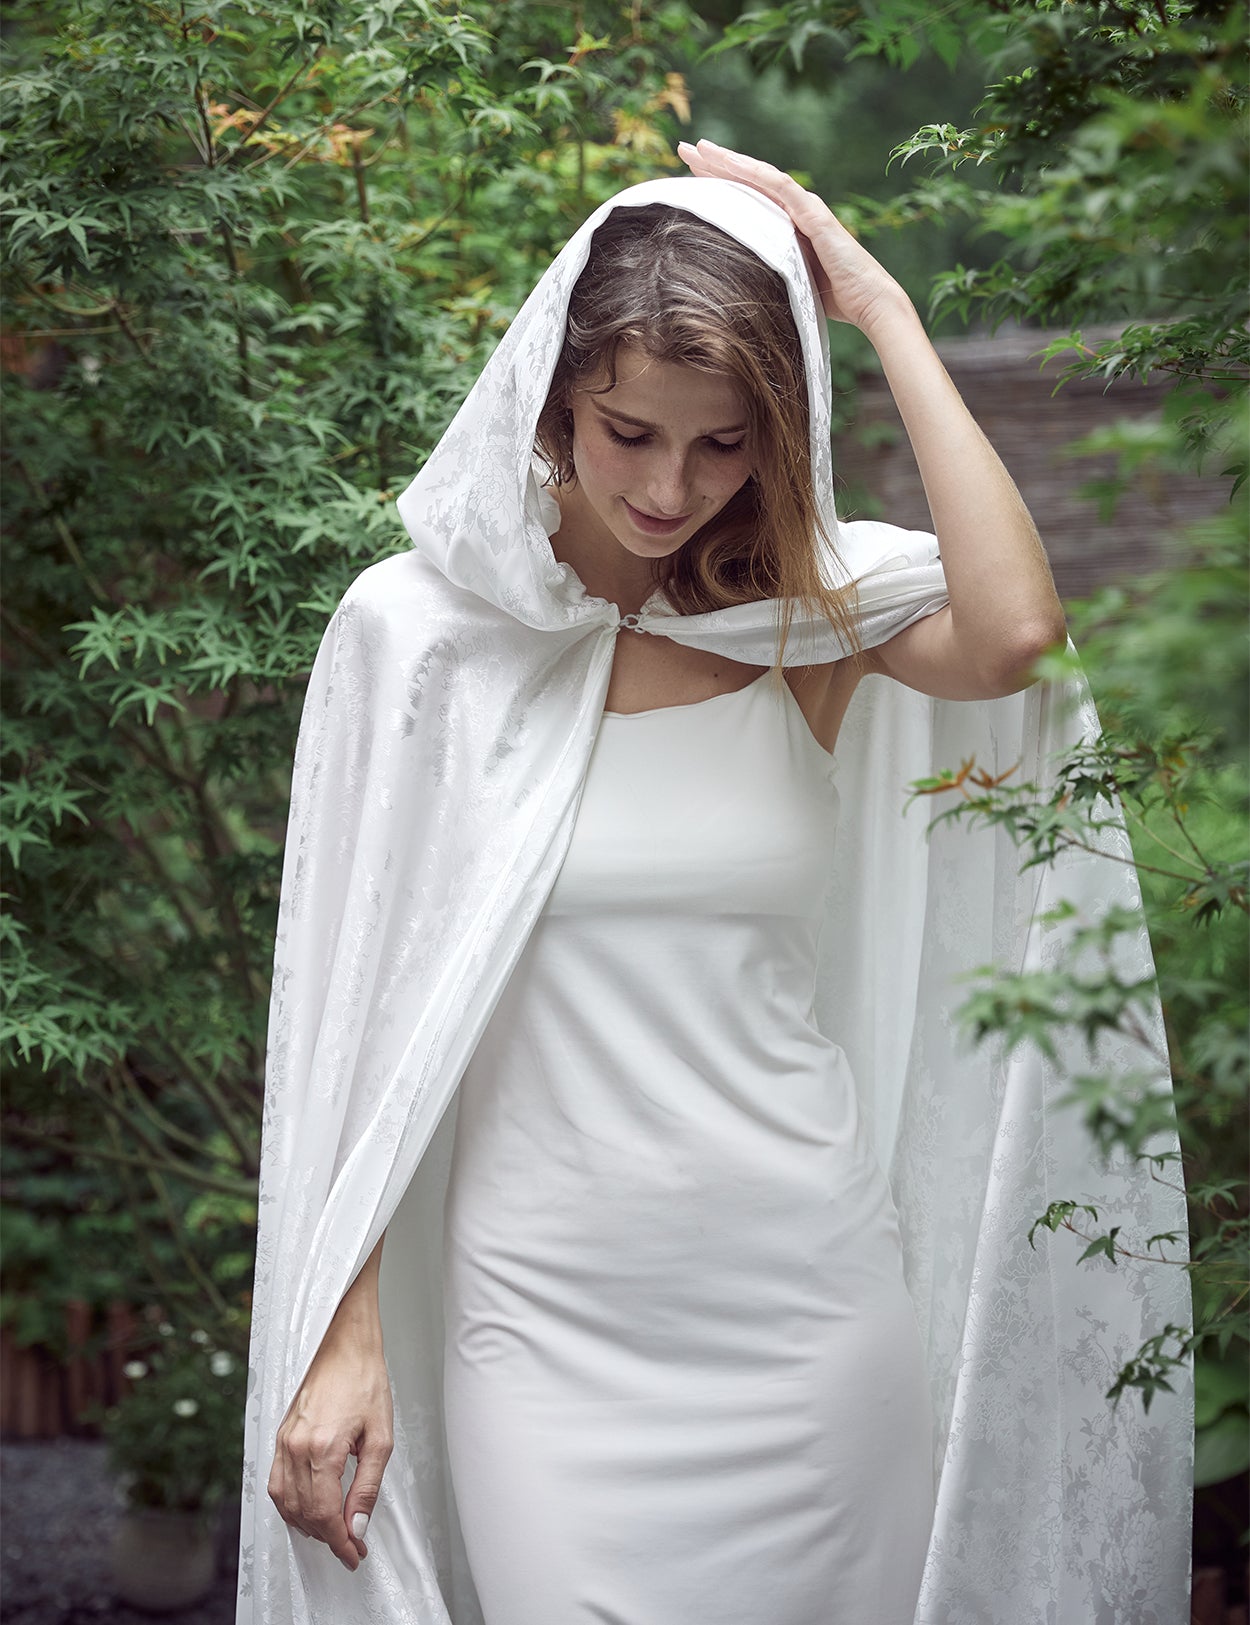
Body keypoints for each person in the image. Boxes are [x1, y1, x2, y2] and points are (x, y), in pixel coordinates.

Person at [239, 144, 1191, 1624]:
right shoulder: (413, 639)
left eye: (724, 444)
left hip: (806, 1307)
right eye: (626, 432)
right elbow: (350, 1032)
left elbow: (1011, 632)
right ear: (550, 399)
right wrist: (339, 1330)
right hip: (542, 1328)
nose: (669, 486)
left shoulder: (801, 623)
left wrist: (876, 303)